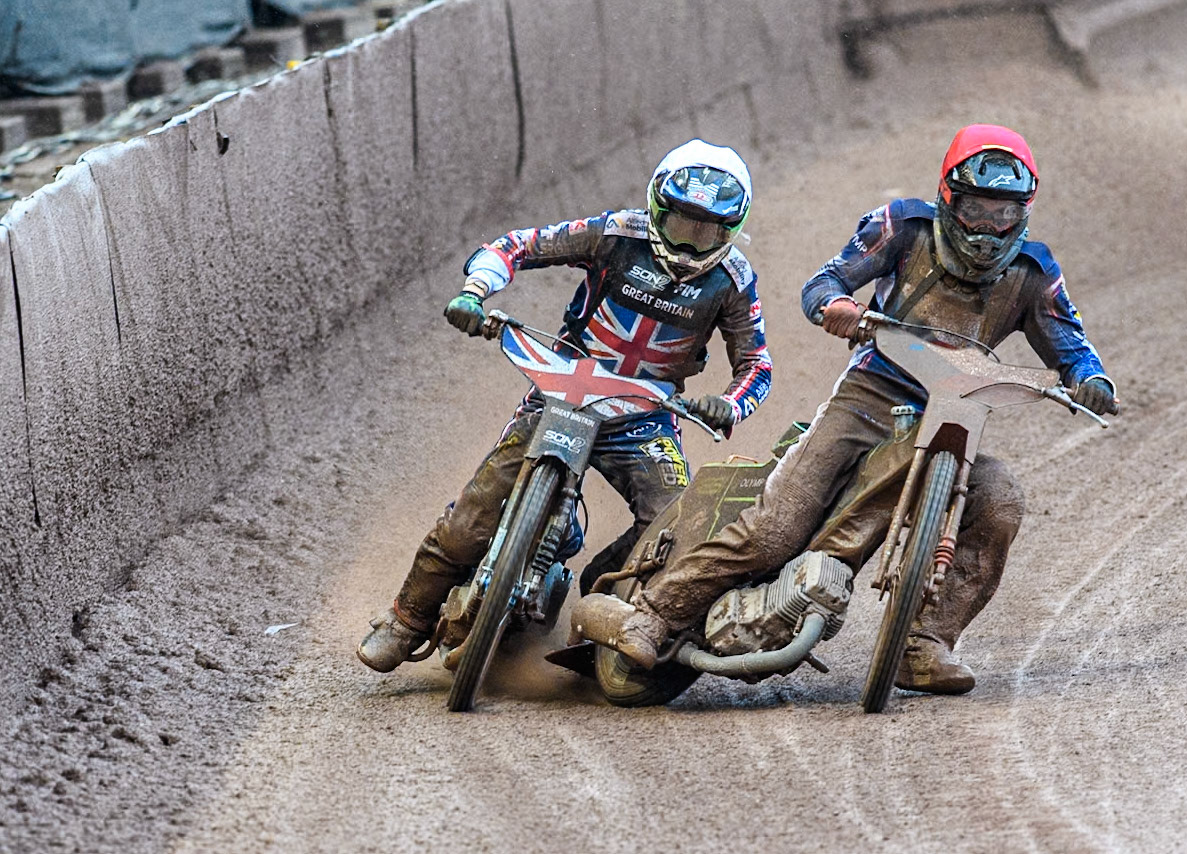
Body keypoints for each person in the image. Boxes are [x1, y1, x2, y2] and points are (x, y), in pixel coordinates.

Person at [573, 124, 1118, 694]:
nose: (987, 227)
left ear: (1023, 212)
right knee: (776, 528)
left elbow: (1071, 344)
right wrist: (836, 305)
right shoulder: (901, 227)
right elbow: (825, 280)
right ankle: (657, 613)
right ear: (949, 197)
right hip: (869, 397)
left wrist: (1091, 378)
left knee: (1000, 500)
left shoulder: (1034, 271)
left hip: (958, 411)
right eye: (977, 208)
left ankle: (926, 644)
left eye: (1003, 213)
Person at [358, 139, 773, 672]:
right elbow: (516, 245)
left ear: (732, 230)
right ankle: (406, 618)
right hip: (561, 393)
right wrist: (474, 292)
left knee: (675, 528)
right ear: (655, 209)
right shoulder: (613, 234)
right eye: (680, 226)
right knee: (470, 520)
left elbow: (757, 365)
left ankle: (606, 595)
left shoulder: (734, 280)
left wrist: (729, 406)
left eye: (709, 231)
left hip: (642, 417)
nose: (692, 244)